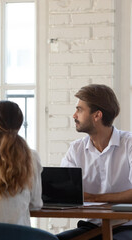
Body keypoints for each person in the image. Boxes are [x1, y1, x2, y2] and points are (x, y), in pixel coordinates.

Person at [57, 84, 132, 240]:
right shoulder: (76, 149)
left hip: (126, 226)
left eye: (79, 110)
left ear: (97, 115)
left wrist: (94, 197)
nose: (74, 115)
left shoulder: (129, 144)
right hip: (91, 227)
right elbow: (65, 193)